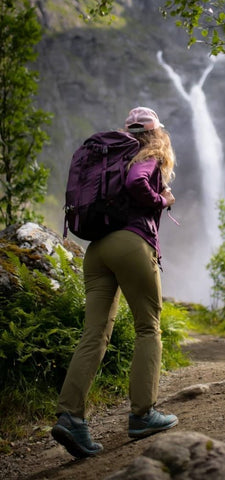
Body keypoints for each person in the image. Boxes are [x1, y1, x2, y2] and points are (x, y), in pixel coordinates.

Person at [51, 107, 178, 458]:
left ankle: (71, 416)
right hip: (131, 243)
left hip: (97, 250)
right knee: (148, 328)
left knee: (93, 334)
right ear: (156, 134)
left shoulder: (108, 155)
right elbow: (138, 181)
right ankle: (143, 414)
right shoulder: (148, 153)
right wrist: (161, 199)